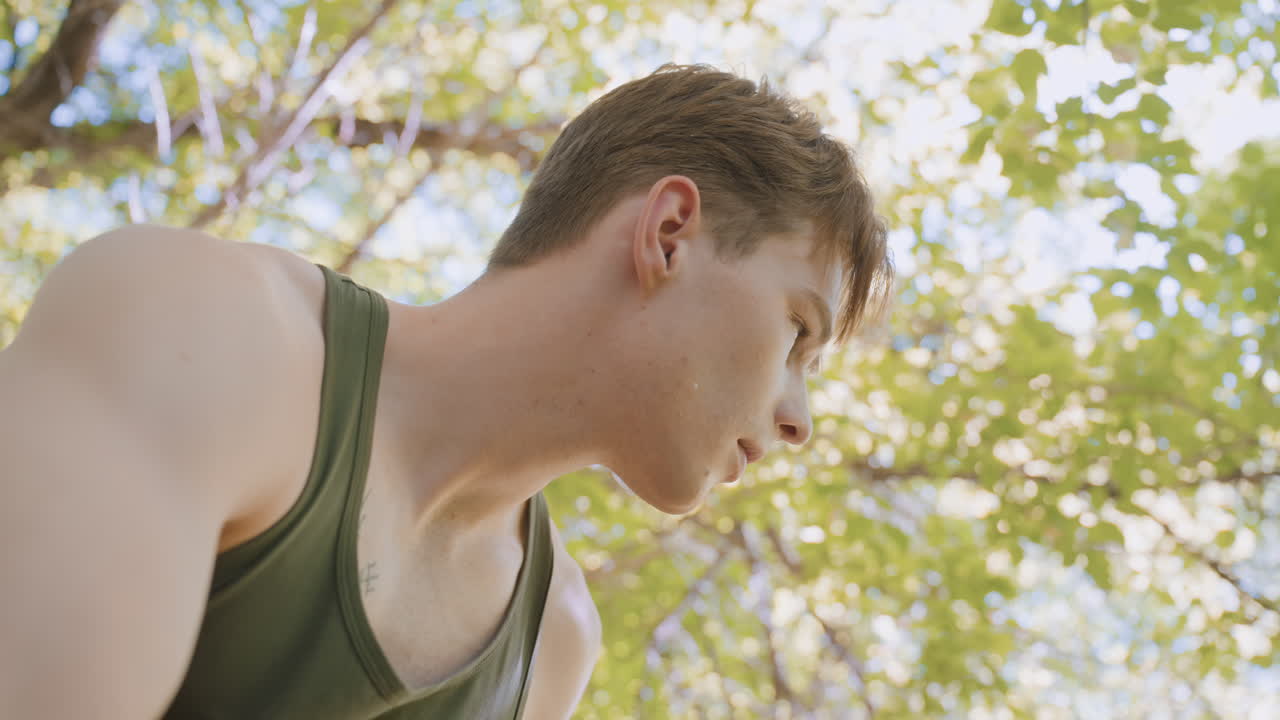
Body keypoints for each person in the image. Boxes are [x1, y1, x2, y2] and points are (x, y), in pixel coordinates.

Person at [0, 64, 891, 719]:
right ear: (668, 234)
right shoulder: (201, 328)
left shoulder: (554, 647)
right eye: (798, 334)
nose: (797, 419)